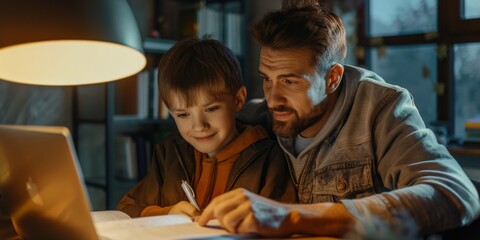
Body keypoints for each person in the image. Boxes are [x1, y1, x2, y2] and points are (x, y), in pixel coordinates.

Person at [198, 1, 480, 237]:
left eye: (290, 82)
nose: (273, 99)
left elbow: (456, 193)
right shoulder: (259, 116)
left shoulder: (382, 108)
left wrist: (290, 216)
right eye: (267, 80)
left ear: (332, 78)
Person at [117, 38, 296, 218]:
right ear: (171, 112)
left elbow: (282, 222)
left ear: (238, 100)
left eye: (210, 109)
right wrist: (168, 213)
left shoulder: (270, 159)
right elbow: (127, 208)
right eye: (183, 114)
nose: (199, 126)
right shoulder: (170, 154)